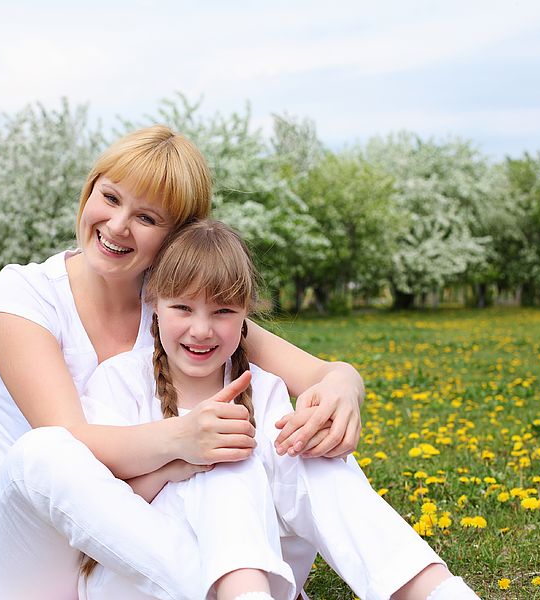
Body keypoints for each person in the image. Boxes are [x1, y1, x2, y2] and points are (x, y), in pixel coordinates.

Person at [0, 125, 454, 600]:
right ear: (89, 192)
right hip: (31, 564)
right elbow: (74, 445)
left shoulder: (174, 305)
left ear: (176, 239)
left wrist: (344, 386)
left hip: (141, 555)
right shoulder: (24, 295)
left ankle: (432, 589)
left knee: (275, 450)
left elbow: (320, 373)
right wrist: (183, 443)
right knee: (44, 453)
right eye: (109, 197)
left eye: (147, 218)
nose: (117, 225)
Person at [77, 220, 479, 600]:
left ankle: (435, 589)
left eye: (222, 312)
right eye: (183, 308)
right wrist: (178, 463)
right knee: (227, 463)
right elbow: (96, 509)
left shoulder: (263, 386)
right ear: (155, 304)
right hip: (139, 577)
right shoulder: (121, 381)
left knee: (310, 459)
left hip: (259, 571)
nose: (201, 330)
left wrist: (315, 435)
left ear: (245, 314)